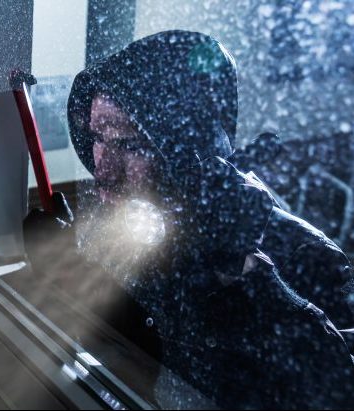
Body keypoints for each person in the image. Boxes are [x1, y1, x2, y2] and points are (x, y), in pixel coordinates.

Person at [24, 30, 354, 408]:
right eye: (98, 138)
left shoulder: (307, 255)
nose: (104, 169)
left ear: (195, 152)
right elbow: (125, 349)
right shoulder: (132, 228)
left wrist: (245, 274)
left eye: (130, 144)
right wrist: (66, 269)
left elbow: (339, 390)